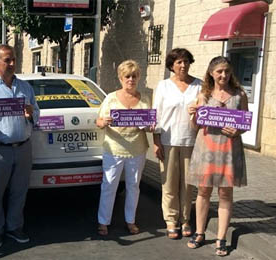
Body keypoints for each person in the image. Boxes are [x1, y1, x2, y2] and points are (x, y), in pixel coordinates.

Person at [0, 44, 40, 248]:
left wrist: (31, 113)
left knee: (19, 191)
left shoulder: (25, 87)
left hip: (23, 147)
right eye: (7, 60)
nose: (12, 64)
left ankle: (14, 226)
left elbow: (37, 114)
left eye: (13, 59)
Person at [186, 56, 248, 257]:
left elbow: (245, 123)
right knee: (203, 192)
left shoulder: (239, 94)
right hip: (206, 149)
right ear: (211, 73)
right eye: (219, 71)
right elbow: (195, 126)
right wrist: (193, 114)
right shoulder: (203, 94)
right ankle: (199, 232)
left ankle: (221, 238)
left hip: (229, 149)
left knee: (225, 194)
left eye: (227, 71)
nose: (223, 75)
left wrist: (238, 131)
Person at [96, 60, 152, 236]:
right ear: (120, 78)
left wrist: (150, 126)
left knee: (133, 186)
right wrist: (103, 122)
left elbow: (150, 122)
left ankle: (131, 221)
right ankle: (103, 222)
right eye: (127, 76)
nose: (131, 79)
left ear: (139, 78)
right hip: (114, 149)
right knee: (109, 185)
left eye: (134, 76)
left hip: (137, 149)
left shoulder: (144, 98)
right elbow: (98, 121)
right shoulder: (111, 98)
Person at [153, 48, 202, 239]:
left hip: (192, 141)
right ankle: (171, 220)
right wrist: (156, 142)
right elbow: (156, 115)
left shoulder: (199, 85)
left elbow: (207, 110)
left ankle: (186, 219)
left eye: (186, 61)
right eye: (179, 62)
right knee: (169, 184)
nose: (183, 65)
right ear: (171, 65)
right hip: (168, 140)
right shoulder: (164, 86)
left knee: (188, 184)